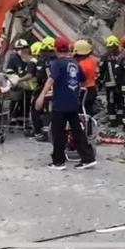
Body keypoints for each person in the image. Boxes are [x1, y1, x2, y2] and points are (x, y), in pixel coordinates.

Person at [35, 37, 96, 170]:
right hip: (73, 102)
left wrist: (41, 96)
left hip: (60, 103)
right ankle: (88, 158)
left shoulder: (57, 63)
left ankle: (58, 161)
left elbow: (50, 81)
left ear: (55, 49)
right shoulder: (74, 63)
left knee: (58, 132)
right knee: (77, 131)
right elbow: (83, 81)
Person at [30, 37, 57, 142]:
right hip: (58, 91)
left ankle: (45, 134)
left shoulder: (43, 62)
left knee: (46, 113)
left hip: (47, 91)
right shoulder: (58, 61)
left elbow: (39, 78)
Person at [5, 39, 32, 126]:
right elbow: (9, 73)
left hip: (28, 86)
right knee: (15, 99)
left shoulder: (30, 59)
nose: (20, 51)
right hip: (16, 85)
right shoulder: (13, 60)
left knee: (27, 101)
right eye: (18, 49)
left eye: (22, 48)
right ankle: (13, 118)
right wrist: (16, 81)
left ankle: (24, 120)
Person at [98, 35, 123, 127]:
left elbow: (101, 71)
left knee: (112, 102)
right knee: (119, 102)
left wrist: (99, 82)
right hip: (120, 85)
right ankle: (119, 120)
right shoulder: (121, 56)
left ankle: (113, 122)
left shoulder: (104, 57)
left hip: (110, 86)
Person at [73, 39, 97, 117]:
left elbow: (78, 79)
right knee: (88, 114)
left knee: (81, 114)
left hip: (85, 91)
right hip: (92, 88)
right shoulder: (92, 60)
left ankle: (83, 128)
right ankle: (88, 128)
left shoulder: (82, 65)